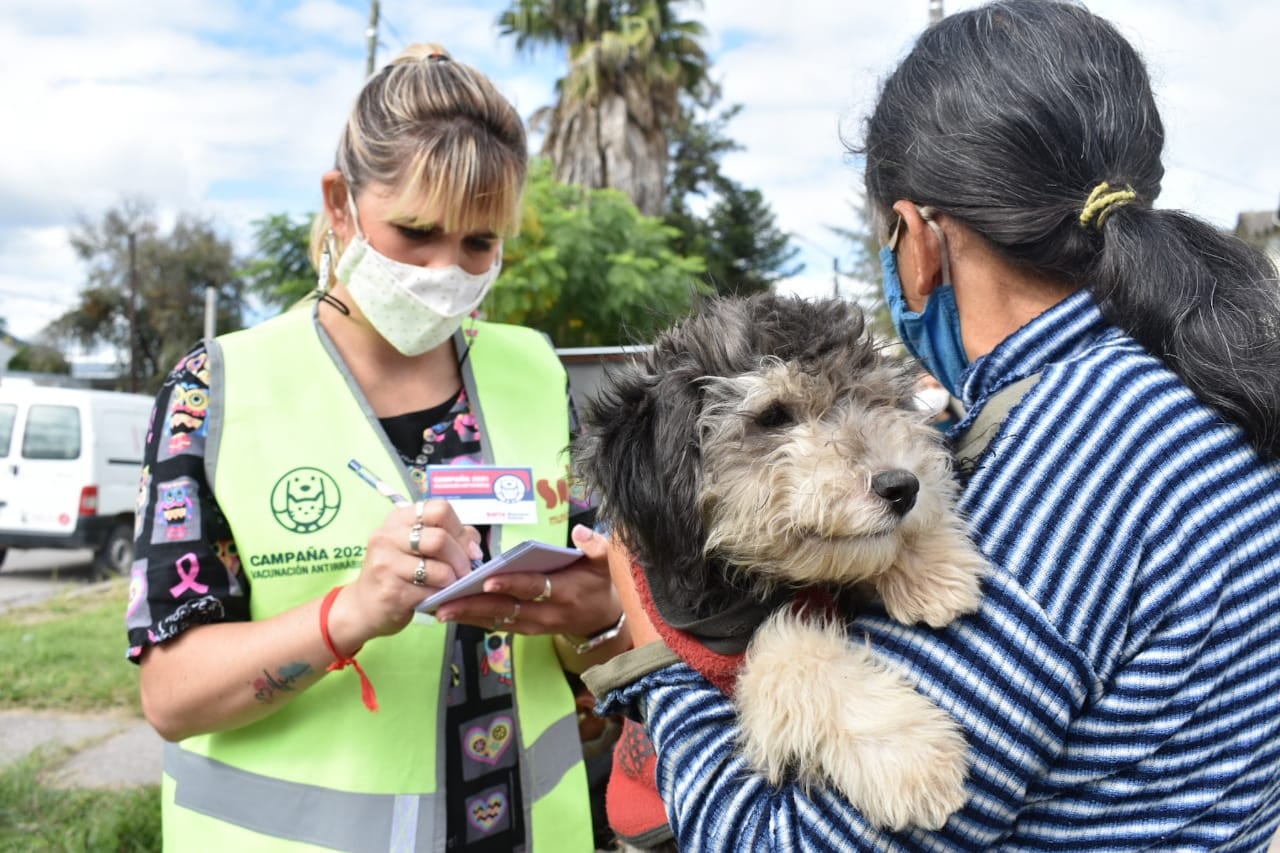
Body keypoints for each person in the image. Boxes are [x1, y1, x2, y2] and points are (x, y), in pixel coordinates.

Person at [579, 1, 1280, 849]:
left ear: (916, 240)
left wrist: (656, 652)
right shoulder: (1207, 381)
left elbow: (787, 839)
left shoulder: (1077, 454)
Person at [126, 43, 630, 852]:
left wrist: (596, 616)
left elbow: (595, 613)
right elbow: (172, 695)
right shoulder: (215, 393)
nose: (445, 269)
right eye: (417, 231)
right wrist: (348, 614)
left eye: (478, 244)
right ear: (340, 202)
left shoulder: (533, 372)